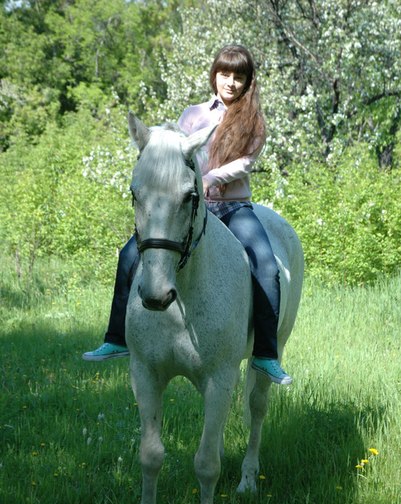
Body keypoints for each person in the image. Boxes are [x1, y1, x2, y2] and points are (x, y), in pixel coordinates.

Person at [83, 44, 292, 385]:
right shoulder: (193, 114)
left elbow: (246, 163)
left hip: (233, 207)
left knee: (266, 265)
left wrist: (210, 178)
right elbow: (173, 151)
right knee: (129, 254)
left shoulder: (253, 122)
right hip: (189, 206)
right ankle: (116, 338)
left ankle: (266, 354)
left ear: (248, 81)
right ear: (214, 75)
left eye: (239, 77)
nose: (230, 82)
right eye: (224, 74)